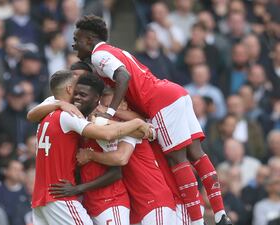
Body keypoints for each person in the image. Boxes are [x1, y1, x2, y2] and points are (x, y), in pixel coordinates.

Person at [72, 15, 231, 225]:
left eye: (77, 38)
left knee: (178, 160)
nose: (74, 44)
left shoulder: (98, 54)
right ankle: (220, 214)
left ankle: (197, 222)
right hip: (174, 93)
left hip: (159, 101)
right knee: (196, 154)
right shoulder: (115, 51)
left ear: (90, 39)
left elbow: (123, 76)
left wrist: (109, 113)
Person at [31, 70, 152, 225]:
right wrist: (138, 124)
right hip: (60, 196)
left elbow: (117, 165)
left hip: (45, 199)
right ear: (69, 89)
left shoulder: (47, 114)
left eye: (82, 94)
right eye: (76, 91)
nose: (77, 97)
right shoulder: (69, 115)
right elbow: (107, 134)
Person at [48, 85, 177, 225]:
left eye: (111, 108)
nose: (106, 112)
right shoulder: (119, 127)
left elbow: (121, 158)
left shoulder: (128, 128)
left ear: (124, 104)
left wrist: (90, 155)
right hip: (137, 205)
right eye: (104, 107)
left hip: (154, 200)